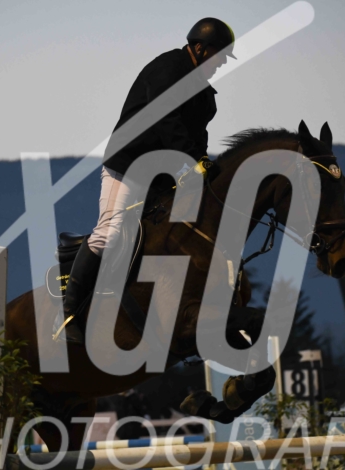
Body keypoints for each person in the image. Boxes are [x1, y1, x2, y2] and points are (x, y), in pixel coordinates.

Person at [59, 18, 236, 344]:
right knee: (111, 233)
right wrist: (191, 161)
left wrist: (203, 162)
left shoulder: (203, 92)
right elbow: (166, 121)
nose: (222, 62)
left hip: (160, 177)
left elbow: (196, 135)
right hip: (127, 168)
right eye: (219, 54)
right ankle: (68, 313)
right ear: (200, 48)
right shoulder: (168, 69)